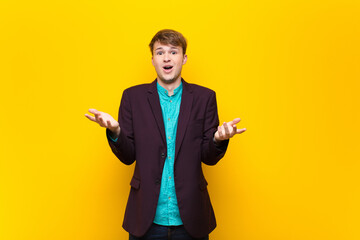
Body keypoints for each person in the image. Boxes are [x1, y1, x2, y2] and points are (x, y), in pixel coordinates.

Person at [85, 29, 246, 240]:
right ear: (152, 59)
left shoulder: (205, 97)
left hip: (192, 218)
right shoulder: (132, 97)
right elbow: (128, 156)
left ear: (184, 58)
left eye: (173, 52)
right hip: (145, 218)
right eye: (160, 52)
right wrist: (115, 131)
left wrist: (218, 140)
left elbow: (208, 157)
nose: (167, 58)